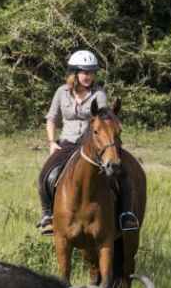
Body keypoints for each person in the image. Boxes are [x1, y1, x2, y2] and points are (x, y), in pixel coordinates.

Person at [36, 50, 140, 235]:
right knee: (46, 173)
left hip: (92, 145)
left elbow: (103, 118)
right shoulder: (61, 92)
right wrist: (52, 141)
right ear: (74, 73)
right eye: (84, 72)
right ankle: (47, 216)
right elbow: (51, 118)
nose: (88, 76)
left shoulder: (98, 94)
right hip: (67, 143)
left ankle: (126, 214)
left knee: (123, 173)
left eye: (91, 72)